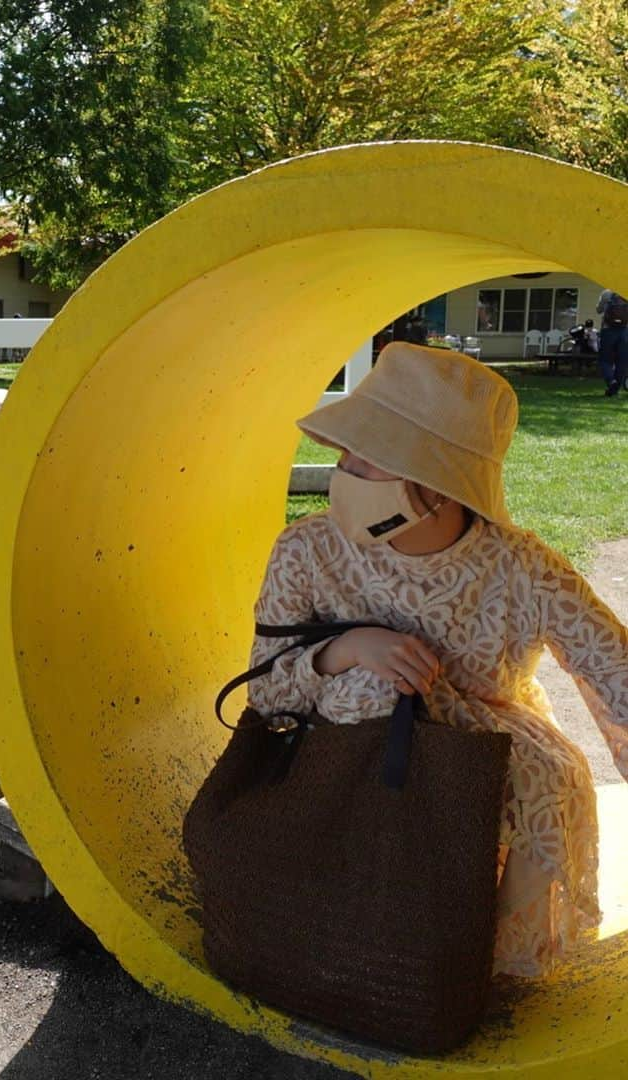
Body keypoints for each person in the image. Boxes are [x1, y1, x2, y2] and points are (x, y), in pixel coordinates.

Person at [248, 342, 628, 978]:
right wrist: (343, 651)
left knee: (544, 775)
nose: (339, 469)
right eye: (344, 451)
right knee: (376, 685)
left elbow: (613, 666)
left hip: (485, 760)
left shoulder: (521, 569)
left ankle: (473, 966)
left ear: (433, 482)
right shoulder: (306, 551)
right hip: (343, 776)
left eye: (364, 456)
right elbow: (266, 695)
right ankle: (348, 922)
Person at [596, 289, 628, 396]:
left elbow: (599, 310)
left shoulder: (606, 293)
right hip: (624, 331)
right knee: (622, 361)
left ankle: (611, 381)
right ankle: (615, 389)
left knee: (605, 359)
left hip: (608, 330)